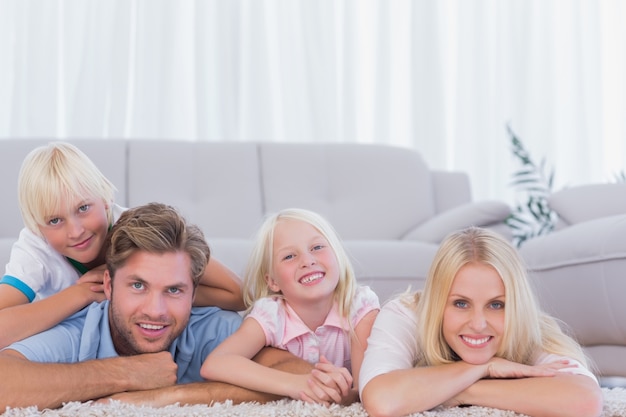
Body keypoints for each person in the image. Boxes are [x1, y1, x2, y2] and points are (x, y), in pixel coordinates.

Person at [0, 202, 342, 410]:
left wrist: (160, 397)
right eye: (138, 286)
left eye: (175, 290)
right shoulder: (77, 331)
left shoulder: (208, 328)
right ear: (106, 285)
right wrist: (123, 374)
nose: (156, 310)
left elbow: (296, 373)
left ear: (194, 294)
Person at [0, 142, 244, 348]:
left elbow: (239, 295)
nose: (75, 231)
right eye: (54, 220)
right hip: (71, 340)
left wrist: (143, 289)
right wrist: (81, 294)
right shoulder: (35, 249)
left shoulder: (139, 229)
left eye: (83, 208)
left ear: (106, 199)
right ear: (37, 227)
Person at [359, 227, 604, 417]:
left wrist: (458, 390)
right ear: (437, 302)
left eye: (496, 305)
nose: (478, 324)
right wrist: (482, 368)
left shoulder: (525, 326)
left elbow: (585, 400)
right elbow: (381, 400)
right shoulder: (406, 314)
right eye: (460, 304)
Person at [201, 208, 380, 405]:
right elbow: (215, 364)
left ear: (337, 255)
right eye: (289, 256)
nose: (307, 261)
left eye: (317, 247)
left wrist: (347, 394)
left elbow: (368, 388)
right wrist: (296, 384)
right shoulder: (271, 314)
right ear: (273, 281)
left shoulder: (358, 305)